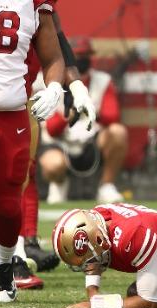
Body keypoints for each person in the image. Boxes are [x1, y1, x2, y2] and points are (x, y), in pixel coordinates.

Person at [0, 6, 98, 287]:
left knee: (15, 180)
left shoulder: (36, 6)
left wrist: (71, 87)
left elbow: (55, 41)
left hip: (19, 97)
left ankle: (10, 251)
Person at [0, 0, 65, 302]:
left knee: (8, 206)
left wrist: (55, 88)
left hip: (12, 114)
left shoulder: (34, 4)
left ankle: (3, 264)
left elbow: (53, 57)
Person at [38, 37, 128, 204]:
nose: (79, 60)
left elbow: (113, 115)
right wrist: (70, 114)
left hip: (91, 140)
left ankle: (106, 186)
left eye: (84, 55)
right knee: (52, 164)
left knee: (118, 132)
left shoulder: (102, 80)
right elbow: (51, 128)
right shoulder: (50, 81)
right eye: (76, 56)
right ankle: (59, 183)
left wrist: (91, 109)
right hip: (60, 143)